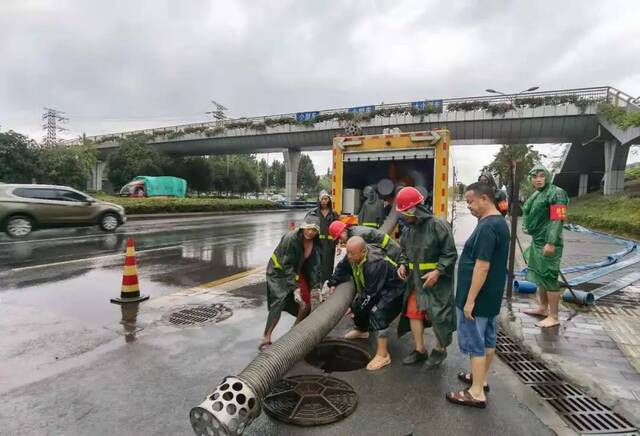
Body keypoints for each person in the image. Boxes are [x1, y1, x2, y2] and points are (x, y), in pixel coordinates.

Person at [445, 182, 510, 409]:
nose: (469, 206)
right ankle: (480, 379)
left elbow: (482, 266)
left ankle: (475, 393)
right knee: (488, 340)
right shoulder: (499, 222)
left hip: (478, 298)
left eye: (471, 202)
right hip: (491, 296)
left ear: (484, 199)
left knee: (475, 344)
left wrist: (469, 300)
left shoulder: (487, 227)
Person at [395, 187, 458, 368]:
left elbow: (450, 254)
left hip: (438, 283)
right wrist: (402, 264)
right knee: (413, 313)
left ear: (413, 209)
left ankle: (439, 349)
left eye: (404, 212)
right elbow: (404, 252)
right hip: (416, 281)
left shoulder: (438, 225)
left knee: (439, 316)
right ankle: (420, 350)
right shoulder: (409, 230)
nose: (403, 216)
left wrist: (438, 272)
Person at [327, 236, 404, 371]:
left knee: (377, 312)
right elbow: (342, 267)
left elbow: (371, 295)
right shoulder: (352, 254)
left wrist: (354, 307)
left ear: (363, 252)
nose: (349, 257)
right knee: (359, 306)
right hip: (376, 288)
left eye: (352, 254)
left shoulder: (374, 263)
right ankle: (363, 330)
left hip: (394, 289)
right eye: (348, 253)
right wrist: (333, 282)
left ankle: (383, 355)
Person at [260, 217, 323, 350]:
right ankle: (266, 337)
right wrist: (294, 288)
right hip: (279, 271)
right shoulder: (291, 239)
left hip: (296, 271)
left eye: (314, 230)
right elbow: (287, 265)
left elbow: (314, 267)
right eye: (308, 228)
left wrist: (316, 287)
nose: (310, 232)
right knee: (279, 300)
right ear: (303, 227)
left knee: (305, 303)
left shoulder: (315, 244)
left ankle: (295, 331)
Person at [522, 164, 569, 328]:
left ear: (547, 176)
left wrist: (551, 242)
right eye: (534, 176)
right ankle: (543, 307)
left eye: (541, 175)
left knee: (549, 276)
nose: (538, 179)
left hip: (550, 242)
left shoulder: (557, 193)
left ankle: (554, 315)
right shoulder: (536, 194)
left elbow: (558, 219)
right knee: (541, 275)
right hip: (538, 240)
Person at [305, 190, 339, 283]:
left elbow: (337, 229)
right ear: (319, 200)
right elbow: (306, 227)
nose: (324, 201)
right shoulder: (313, 213)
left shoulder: (333, 214)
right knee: (316, 263)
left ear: (329, 200)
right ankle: (316, 284)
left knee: (328, 265)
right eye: (322, 199)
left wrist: (338, 244)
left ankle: (326, 283)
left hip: (329, 245)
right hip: (317, 243)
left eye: (326, 199)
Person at [328, 221, 402, 263]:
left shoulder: (357, 237)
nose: (340, 241)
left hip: (391, 251)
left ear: (343, 231)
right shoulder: (351, 233)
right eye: (337, 239)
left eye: (339, 237)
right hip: (386, 249)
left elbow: (366, 258)